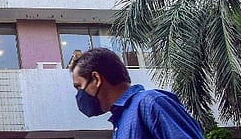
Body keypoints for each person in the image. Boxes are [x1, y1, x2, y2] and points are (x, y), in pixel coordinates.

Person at [70, 48, 202, 139]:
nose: (79, 95)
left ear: (97, 79)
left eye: (79, 86)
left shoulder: (150, 103)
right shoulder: (121, 120)